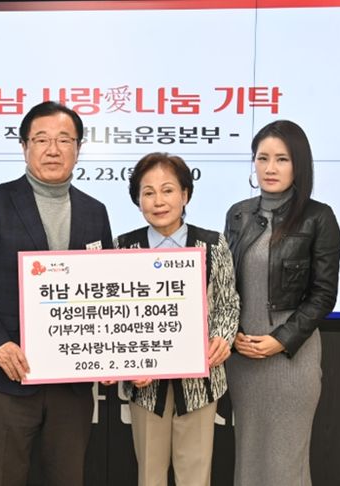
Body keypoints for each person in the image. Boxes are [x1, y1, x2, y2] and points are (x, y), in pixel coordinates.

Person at [0, 101, 113, 486]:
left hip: (72, 382)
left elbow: (105, 289)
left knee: (68, 478)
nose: (53, 149)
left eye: (64, 140)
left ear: (78, 148)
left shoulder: (95, 210)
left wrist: (109, 355)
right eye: (41, 139)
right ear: (24, 147)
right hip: (7, 374)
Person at [224, 120, 340, 486]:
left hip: (292, 358)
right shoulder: (239, 214)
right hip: (244, 358)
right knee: (248, 459)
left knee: (285, 465)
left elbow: (323, 294)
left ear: (298, 165)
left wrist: (280, 340)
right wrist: (233, 334)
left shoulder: (319, 217)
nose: (270, 168)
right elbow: (225, 285)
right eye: (262, 158)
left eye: (282, 159)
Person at [115, 153, 239, 486]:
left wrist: (222, 338)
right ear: (137, 200)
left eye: (168, 190)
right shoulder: (123, 248)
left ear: (185, 195)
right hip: (145, 386)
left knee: (195, 477)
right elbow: (114, 317)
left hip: (200, 383)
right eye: (148, 192)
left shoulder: (212, 244)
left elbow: (228, 304)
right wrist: (126, 362)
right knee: (149, 476)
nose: (159, 201)